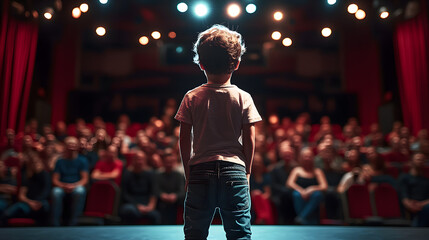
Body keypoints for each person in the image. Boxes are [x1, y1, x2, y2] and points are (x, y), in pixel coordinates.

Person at [175, 25, 262, 240]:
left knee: (194, 233)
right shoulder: (244, 97)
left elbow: (184, 139)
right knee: (239, 233)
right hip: (235, 170)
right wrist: (247, 171)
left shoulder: (191, 97)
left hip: (200, 170)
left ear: (201, 64)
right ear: (237, 63)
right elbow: (250, 139)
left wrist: (188, 172)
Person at [0, 153, 50, 226]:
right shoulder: (26, 177)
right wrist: (30, 202)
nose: (35, 165)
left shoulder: (45, 175)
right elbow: (21, 196)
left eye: (37, 162)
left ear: (41, 162)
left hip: (41, 202)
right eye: (33, 163)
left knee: (45, 205)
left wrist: (37, 202)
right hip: (27, 202)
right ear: (30, 164)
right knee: (7, 214)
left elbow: (46, 191)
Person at [51, 137, 89, 226]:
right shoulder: (59, 161)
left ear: (77, 146)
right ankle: (55, 224)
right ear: (65, 146)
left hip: (76, 186)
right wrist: (63, 186)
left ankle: (74, 223)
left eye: (74, 144)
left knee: (80, 191)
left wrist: (74, 186)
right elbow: (55, 180)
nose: (71, 146)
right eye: (69, 144)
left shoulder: (82, 160)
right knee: (56, 192)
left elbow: (85, 179)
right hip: (62, 186)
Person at [287, 148, 328, 225]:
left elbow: (324, 186)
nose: (307, 158)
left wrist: (312, 189)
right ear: (301, 158)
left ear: (313, 158)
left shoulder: (317, 171)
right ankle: (304, 220)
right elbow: (289, 183)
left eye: (309, 156)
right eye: (305, 156)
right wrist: (301, 191)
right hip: (300, 195)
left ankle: (302, 217)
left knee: (318, 195)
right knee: (296, 194)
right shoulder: (297, 170)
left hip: (313, 197)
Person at [119, 151, 161, 225]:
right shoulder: (127, 174)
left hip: (146, 203)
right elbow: (125, 194)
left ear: (145, 161)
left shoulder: (150, 174)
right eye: (137, 159)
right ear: (133, 161)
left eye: (141, 159)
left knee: (155, 215)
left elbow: (154, 192)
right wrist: (137, 206)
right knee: (129, 211)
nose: (139, 162)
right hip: (132, 203)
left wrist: (150, 206)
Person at [398, 153, 429, 227]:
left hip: (424, 206)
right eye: (418, 159)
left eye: (422, 160)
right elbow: (403, 196)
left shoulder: (426, 181)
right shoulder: (404, 178)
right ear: (411, 161)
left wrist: (421, 204)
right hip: (410, 207)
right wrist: (410, 205)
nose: (420, 161)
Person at [157, 150, 185, 225]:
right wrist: (162, 195)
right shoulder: (158, 175)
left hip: (176, 201)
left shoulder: (179, 175)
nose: (169, 164)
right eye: (167, 162)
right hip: (161, 202)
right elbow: (155, 190)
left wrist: (175, 196)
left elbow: (182, 191)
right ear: (163, 162)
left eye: (171, 162)